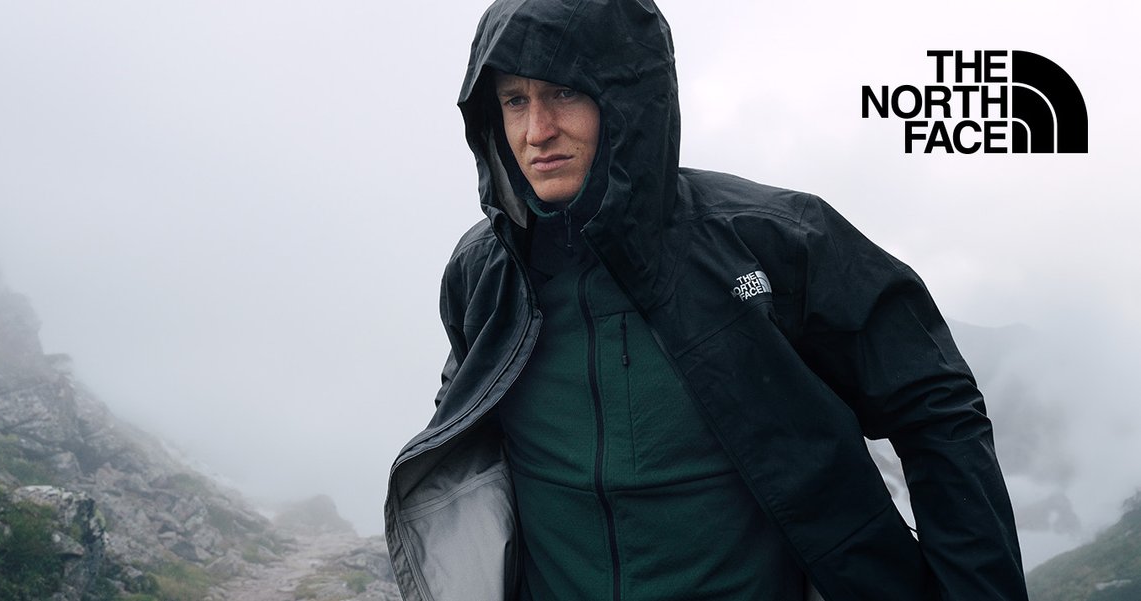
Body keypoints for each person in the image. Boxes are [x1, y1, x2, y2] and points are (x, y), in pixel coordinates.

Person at [384, 1, 1028, 600]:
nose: (537, 131)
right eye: (514, 100)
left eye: (564, 92)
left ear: (627, 95)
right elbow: (465, 437)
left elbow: (935, 407)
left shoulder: (778, 241)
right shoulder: (483, 274)